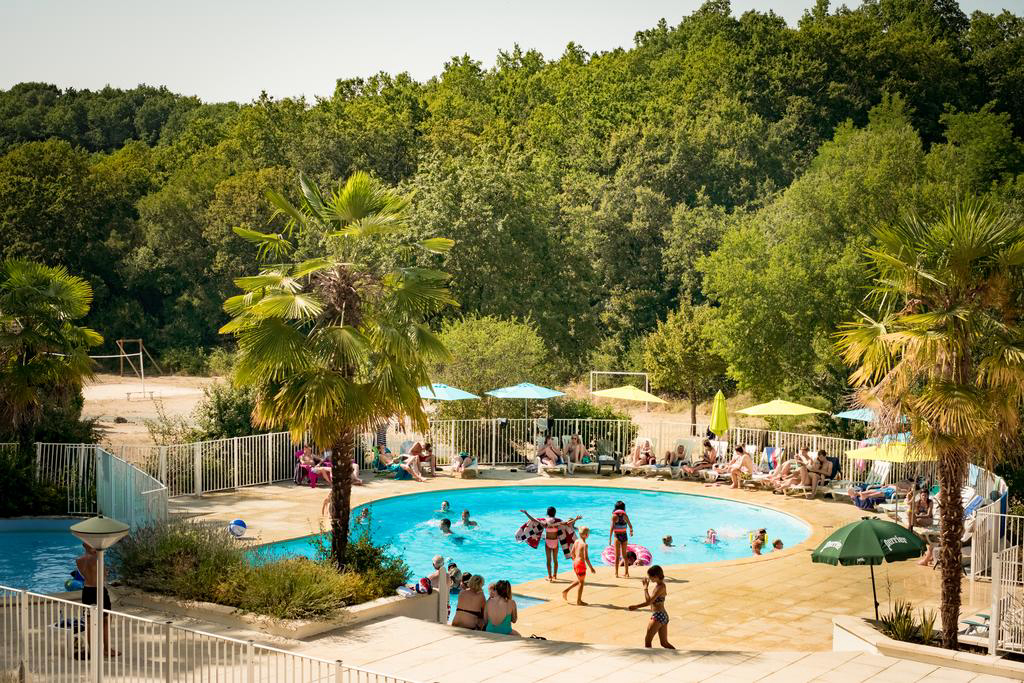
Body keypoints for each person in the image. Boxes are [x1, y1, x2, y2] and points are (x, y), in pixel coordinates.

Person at [76, 543, 119, 657]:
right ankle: (106, 649)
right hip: (99, 591)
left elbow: (85, 575)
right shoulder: (97, 558)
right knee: (106, 620)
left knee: (89, 623)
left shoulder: (79, 560)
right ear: (88, 546)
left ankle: (92, 650)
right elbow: (104, 575)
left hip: (87, 591)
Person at [519, 507, 581, 581]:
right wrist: (576, 519)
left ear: (547, 513)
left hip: (548, 542)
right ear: (555, 513)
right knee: (555, 560)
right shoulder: (558, 521)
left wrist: (526, 513)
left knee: (548, 560)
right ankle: (555, 575)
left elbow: (533, 519)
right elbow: (568, 523)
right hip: (555, 542)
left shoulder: (545, 522)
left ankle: (550, 576)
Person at [628, 565, 674, 649]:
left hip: (658, 615)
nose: (649, 579)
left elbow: (648, 602)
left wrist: (636, 606)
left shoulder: (660, 587)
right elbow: (649, 601)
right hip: (662, 615)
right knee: (664, 643)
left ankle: (649, 660)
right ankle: (676, 656)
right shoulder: (659, 586)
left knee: (648, 640)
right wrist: (646, 588)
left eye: (650, 577)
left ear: (656, 576)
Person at [561, 526, 596, 605]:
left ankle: (566, 591)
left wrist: (575, 560)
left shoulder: (576, 541)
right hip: (581, 564)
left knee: (580, 580)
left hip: (575, 563)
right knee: (581, 583)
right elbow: (586, 558)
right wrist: (591, 568)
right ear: (587, 535)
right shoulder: (585, 545)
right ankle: (578, 601)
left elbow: (572, 553)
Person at [609, 500, 634, 578]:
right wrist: (631, 532)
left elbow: (612, 528)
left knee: (617, 556)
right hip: (624, 536)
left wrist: (609, 538)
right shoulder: (625, 515)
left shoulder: (614, 516)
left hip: (617, 536)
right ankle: (627, 573)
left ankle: (616, 573)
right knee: (624, 556)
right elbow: (630, 525)